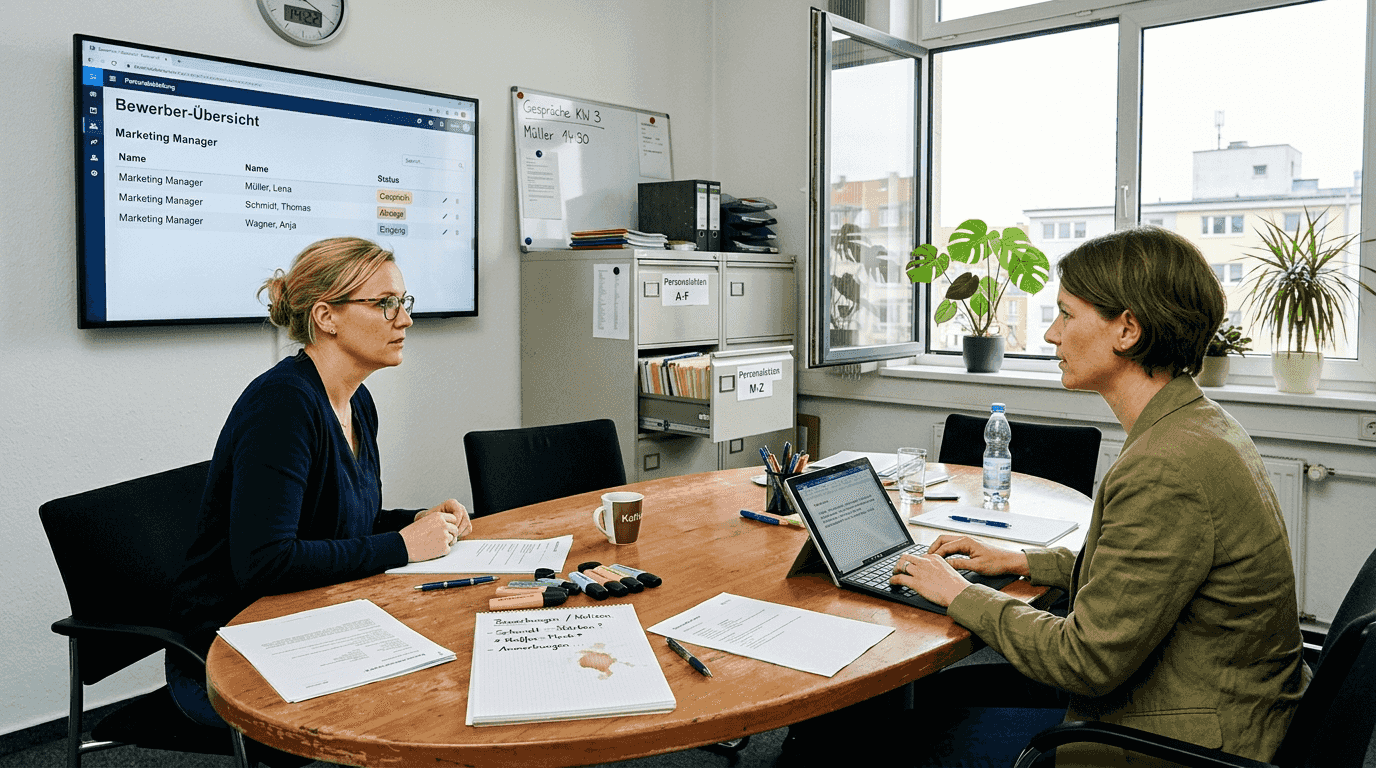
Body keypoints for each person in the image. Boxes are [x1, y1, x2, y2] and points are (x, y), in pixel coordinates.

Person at [884, 226, 1310, 767]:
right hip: (1232, 706)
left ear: (1126, 329)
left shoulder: (1166, 466)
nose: (1051, 336)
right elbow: (1144, 575)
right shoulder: (1200, 425)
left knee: (889, 741)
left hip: (1184, 743)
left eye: (1065, 315)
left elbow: (1082, 662)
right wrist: (1021, 560)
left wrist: (958, 593)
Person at [167, 236, 473, 729]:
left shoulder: (356, 400)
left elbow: (340, 521)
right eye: (385, 304)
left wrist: (416, 522)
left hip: (314, 612)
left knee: (449, 656)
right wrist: (401, 545)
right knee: (429, 695)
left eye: (404, 302)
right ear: (326, 317)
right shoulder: (282, 406)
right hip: (233, 643)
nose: (406, 319)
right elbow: (265, 565)